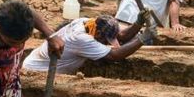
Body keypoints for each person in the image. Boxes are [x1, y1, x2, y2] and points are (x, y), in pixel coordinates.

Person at [23, 13, 154, 75]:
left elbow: (121, 36)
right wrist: (142, 39)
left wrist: (138, 23)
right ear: (97, 35)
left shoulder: (87, 22)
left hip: (34, 62)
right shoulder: (81, 39)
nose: (106, 44)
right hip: (36, 72)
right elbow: (114, 55)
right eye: (105, 41)